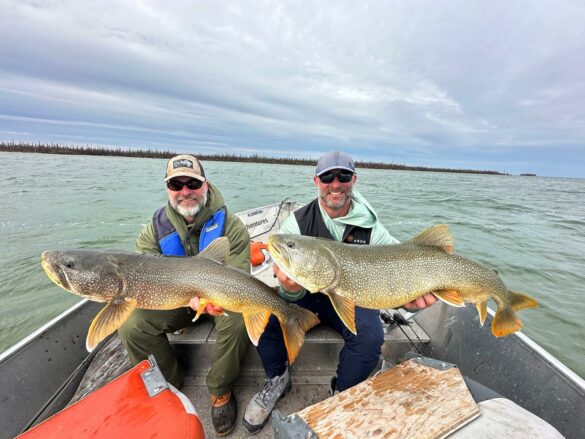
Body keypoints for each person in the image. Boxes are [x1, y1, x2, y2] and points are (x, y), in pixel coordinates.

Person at [242, 151, 436, 433]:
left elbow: (402, 263)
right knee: (266, 318)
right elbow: (289, 283)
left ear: (353, 180)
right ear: (316, 181)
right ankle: (277, 380)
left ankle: (341, 392)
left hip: (353, 294)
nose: (335, 183)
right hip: (308, 294)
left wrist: (412, 301)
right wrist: (291, 289)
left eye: (343, 176)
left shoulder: (372, 228)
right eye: (327, 177)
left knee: (370, 338)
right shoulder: (295, 224)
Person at [118, 154, 250, 436]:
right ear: (168, 189)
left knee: (239, 318)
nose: (185, 191)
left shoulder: (233, 227)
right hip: (173, 299)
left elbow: (239, 279)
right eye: (176, 184)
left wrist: (211, 300)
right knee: (132, 325)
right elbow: (145, 278)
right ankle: (170, 384)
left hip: (219, 297)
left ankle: (220, 389)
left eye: (192, 182)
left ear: (205, 184)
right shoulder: (153, 231)